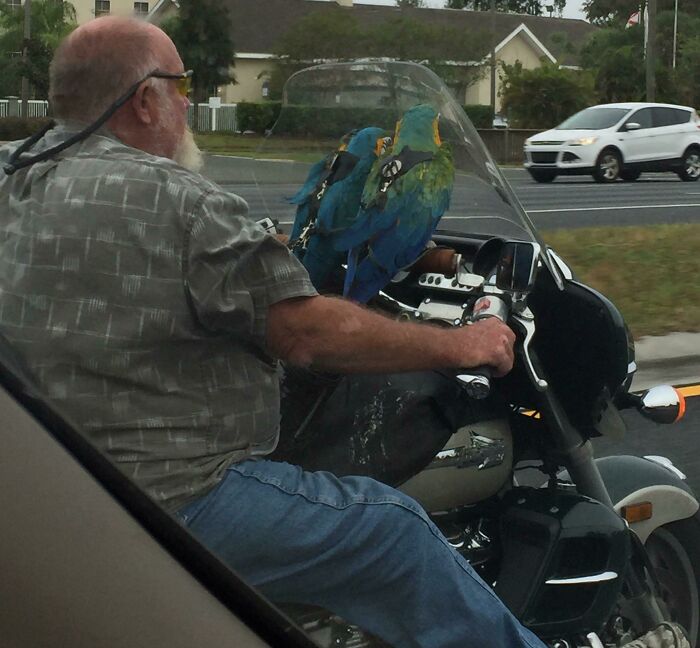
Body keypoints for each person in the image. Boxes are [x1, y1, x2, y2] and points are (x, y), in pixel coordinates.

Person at [0, 17, 545, 648]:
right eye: (182, 88)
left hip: (39, 491)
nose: (187, 104)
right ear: (146, 101)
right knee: (393, 533)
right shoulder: (181, 200)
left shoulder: (15, 174)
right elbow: (308, 335)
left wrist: (273, 249)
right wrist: (464, 343)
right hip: (167, 496)